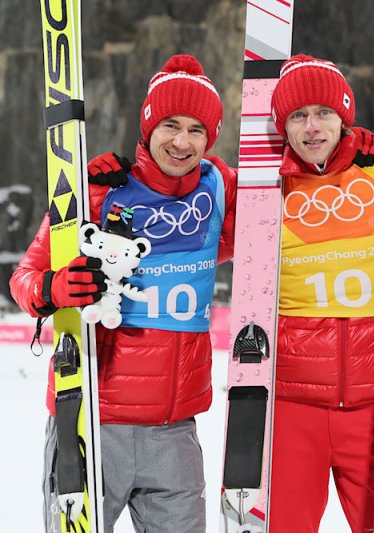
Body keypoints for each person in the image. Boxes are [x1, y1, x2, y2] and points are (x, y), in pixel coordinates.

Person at [10, 54, 237, 532]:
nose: (181, 142)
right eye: (170, 125)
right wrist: (55, 287)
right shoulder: (99, 191)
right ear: (148, 126)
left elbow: (287, 209)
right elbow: (25, 279)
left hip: (174, 433)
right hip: (92, 421)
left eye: (196, 130)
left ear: (211, 137)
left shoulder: (218, 192)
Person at [267, 54, 374, 532]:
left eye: (324, 112)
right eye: (298, 116)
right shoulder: (266, 187)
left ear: (344, 116)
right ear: (282, 127)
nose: (312, 127)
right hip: (292, 405)